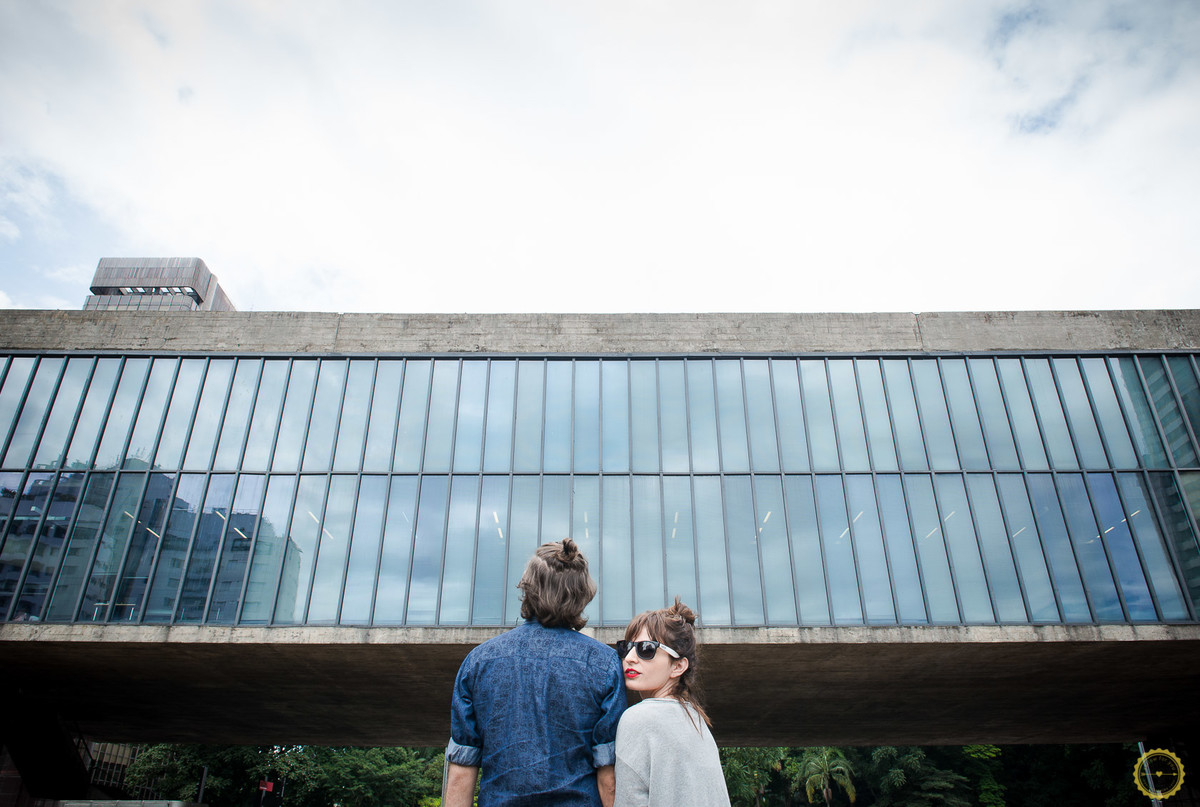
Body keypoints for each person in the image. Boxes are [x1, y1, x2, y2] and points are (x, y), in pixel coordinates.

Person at [445, 538, 627, 807]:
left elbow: (461, 773)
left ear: (528, 587)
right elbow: (608, 778)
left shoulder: (478, 663)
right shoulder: (605, 664)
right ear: (582, 594)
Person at [614, 598, 731, 807]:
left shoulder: (638, 719)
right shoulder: (697, 721)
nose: (629, 657)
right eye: (627, 647)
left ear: (678, 666)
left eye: (646, 649)